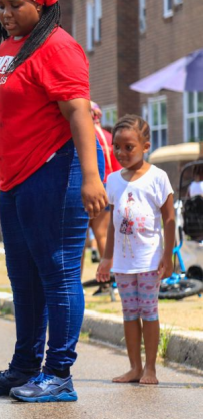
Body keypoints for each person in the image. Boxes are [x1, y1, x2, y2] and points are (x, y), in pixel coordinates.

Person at [0, 0, 108, 403]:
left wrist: (91, 177)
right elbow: (0, 119)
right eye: (0, 5)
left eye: (15, 5)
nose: (5, 13)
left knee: (59, 273)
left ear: (42, 5)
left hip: (55, 171)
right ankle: (25, 367)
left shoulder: (58, 46)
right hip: (14, 179)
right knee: (23, 278)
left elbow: (78, 114)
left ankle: (59, 373)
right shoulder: (9, 48)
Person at [97, 115, 175, 385]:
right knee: (129, 314)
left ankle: (151, 368)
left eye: (128, 147)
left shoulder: (158, 177)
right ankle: (134, 367)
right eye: (116, 147)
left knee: (149, 312)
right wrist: (107, 258)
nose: (121, 153)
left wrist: (168, 255)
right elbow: (112, 223)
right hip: (123, 264)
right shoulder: (113, 180)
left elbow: (169, 219)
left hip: (149, 261)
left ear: (145, 146)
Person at [85, 102, 122, 294]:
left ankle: (74, 283)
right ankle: (108, 282)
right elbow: (118, 167)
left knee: (80, 240)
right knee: (103, 236)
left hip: (89, 186)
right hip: (109, 188)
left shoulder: (84, 135)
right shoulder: (109, 137)